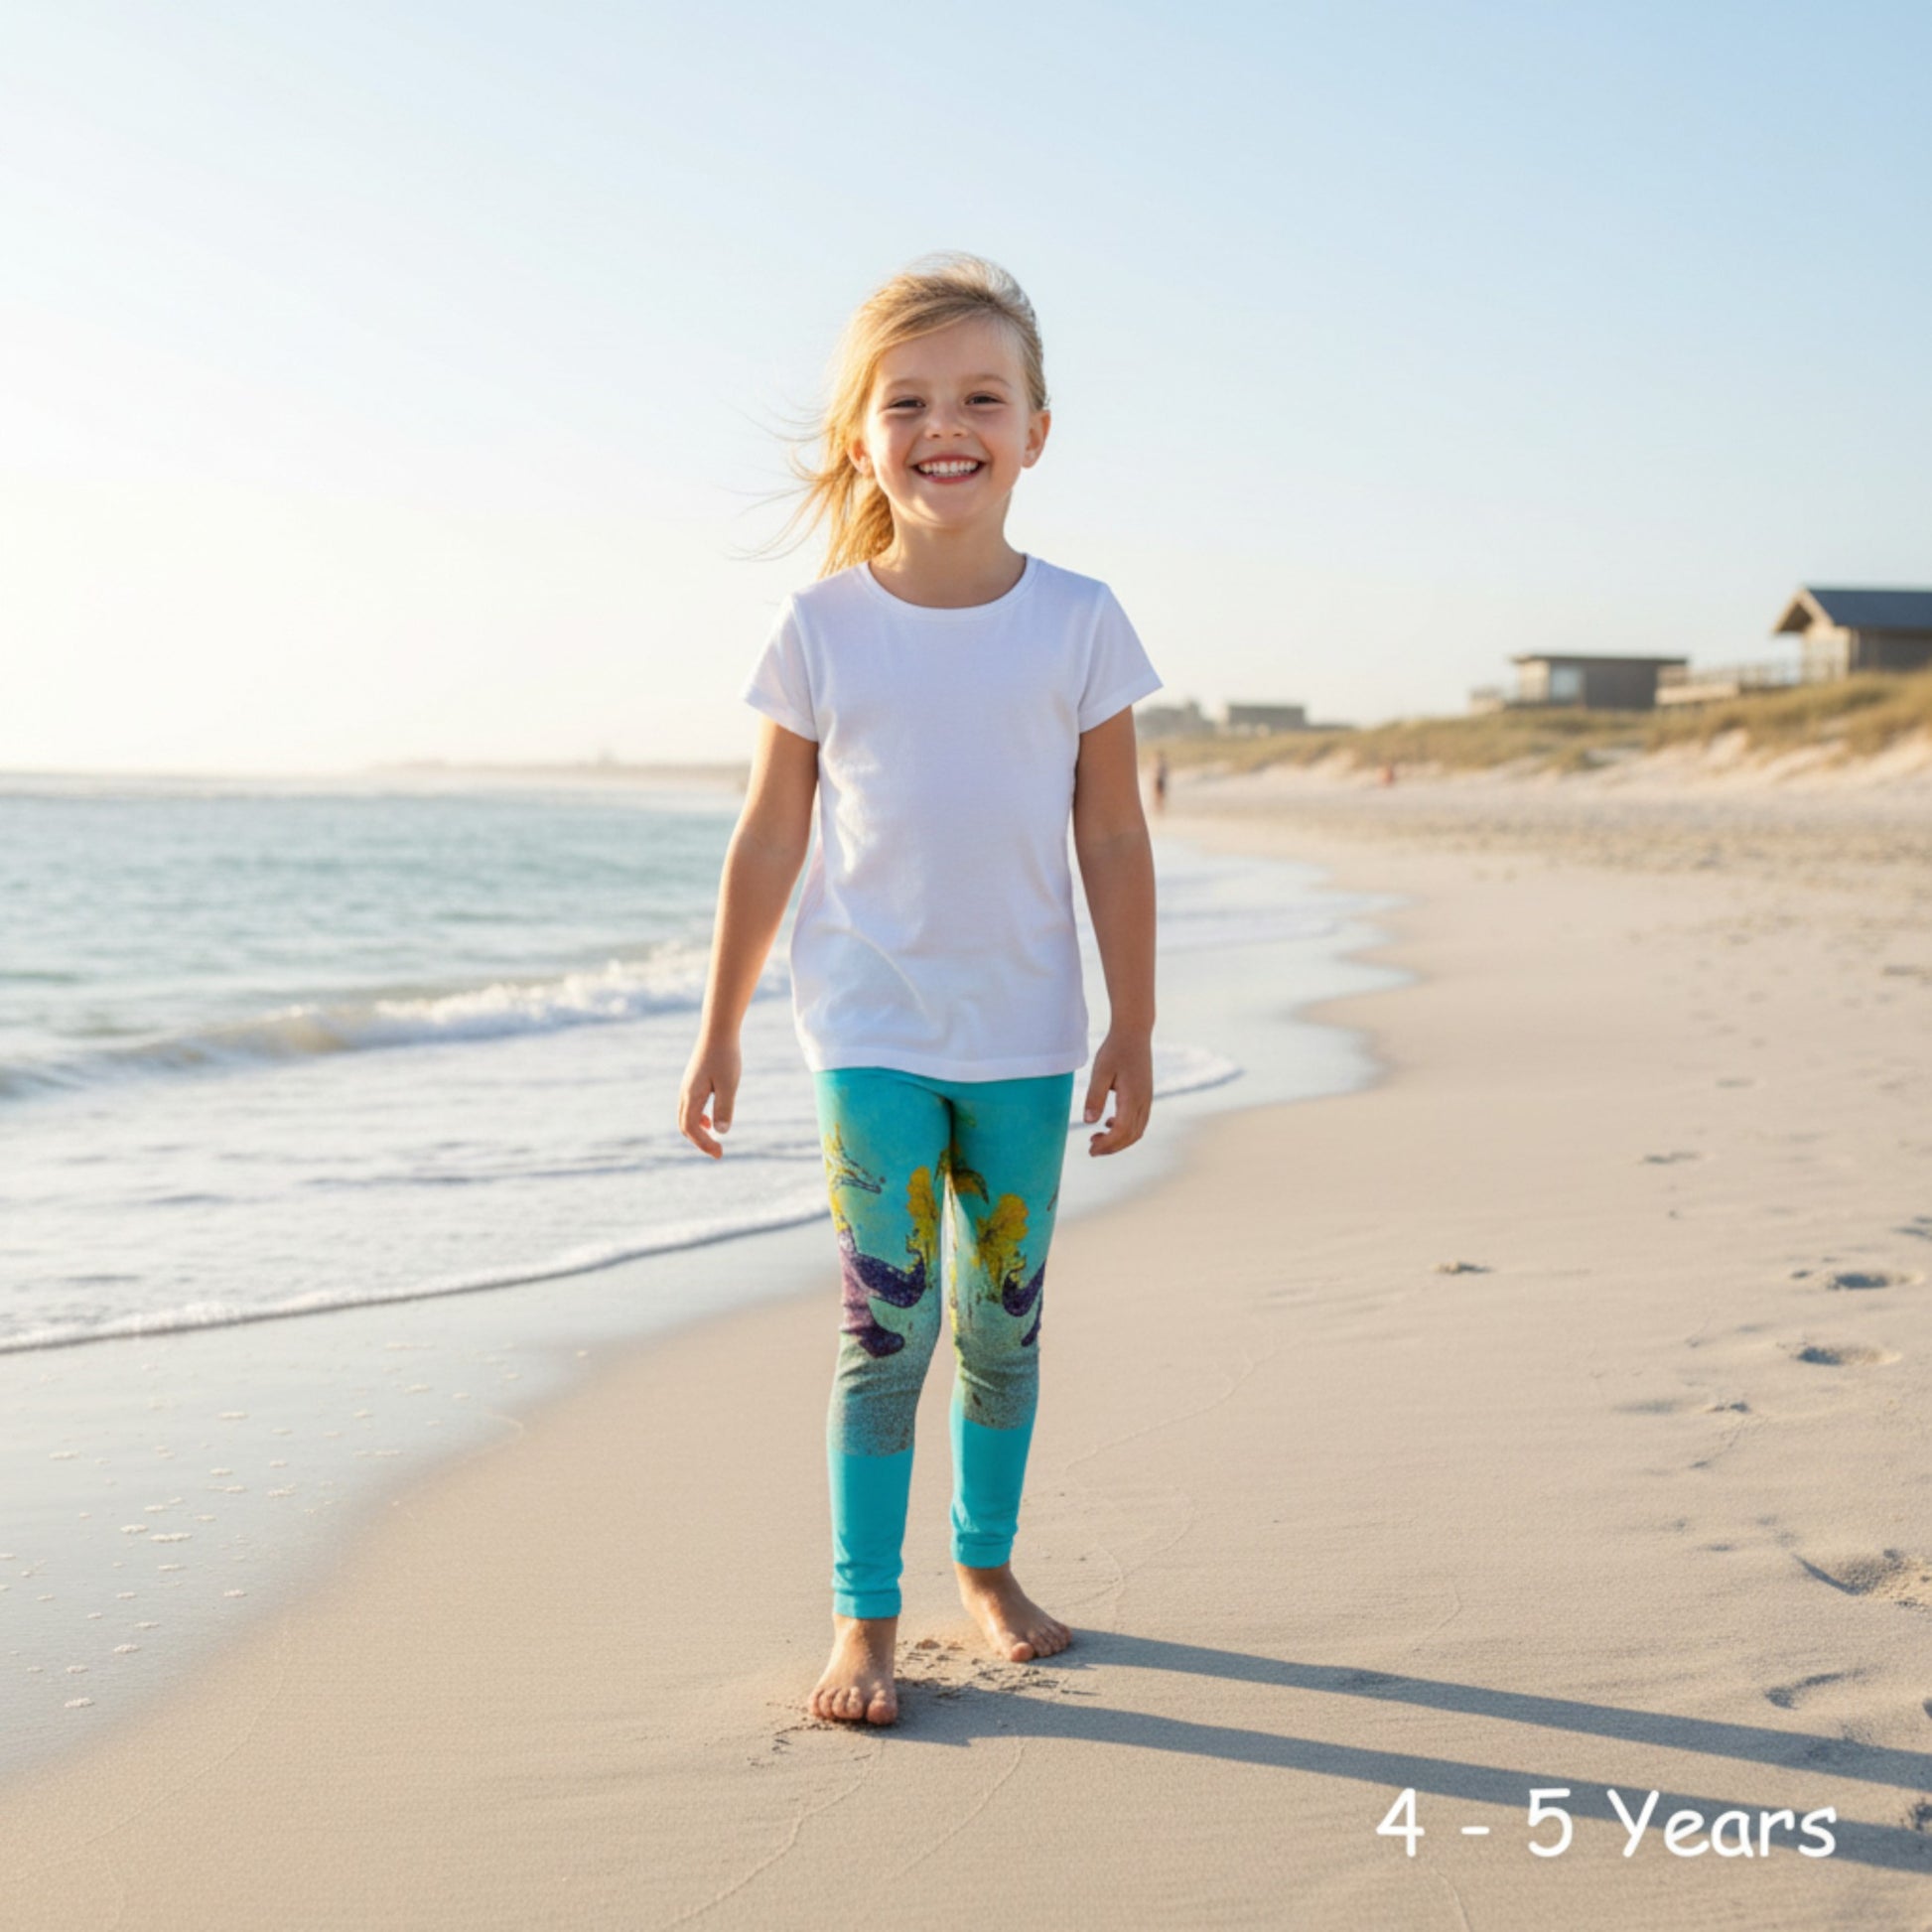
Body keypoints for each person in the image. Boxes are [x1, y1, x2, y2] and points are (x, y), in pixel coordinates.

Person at [678, 252, 1163, 1728]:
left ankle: (987, 1567)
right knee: (883, 1324)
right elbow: (769, 836)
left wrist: (1132, 1020)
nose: (944, 424)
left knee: (1003, 1323)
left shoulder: (1078, 620)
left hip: (1020, 1036)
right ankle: (862, 1616)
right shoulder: (820, 627)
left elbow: (1112, 831)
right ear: (858, 435)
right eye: (907, 400)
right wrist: (720, 1029)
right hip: (871, 1031)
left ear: (1034, 429)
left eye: (980, 396)